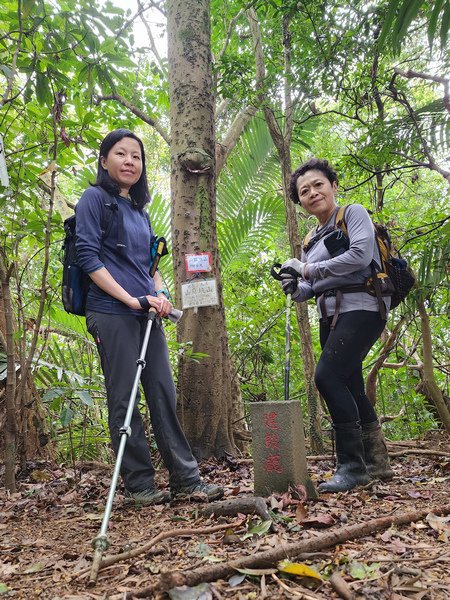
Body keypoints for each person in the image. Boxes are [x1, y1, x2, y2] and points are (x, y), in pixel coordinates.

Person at [75, 128, 223, 505]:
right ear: (104, 160)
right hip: (111, 312)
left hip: (146, 314)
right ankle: (140, 484)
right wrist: (131, 299)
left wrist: (158, 293)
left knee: (162, 392)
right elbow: (89, 258)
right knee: (124, 398)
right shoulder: (94, 199)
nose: (129, 162)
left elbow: (150, 266)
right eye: (121, 154)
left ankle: (186, 480)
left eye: (136, 156)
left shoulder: (139, 212)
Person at [280, 157, 394, 493]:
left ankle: (351, 467)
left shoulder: (352, 213)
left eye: (318, 185)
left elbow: (360, 256)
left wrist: (305, 270)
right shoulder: (311, 238)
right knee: (351, 385)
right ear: (299, 201)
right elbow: (312, 287)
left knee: (327, 377)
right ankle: (377, 463)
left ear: (333, 186)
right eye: (304, 191)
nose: (313, 193)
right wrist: (296, 286)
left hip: (363, 306)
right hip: (330, 315)